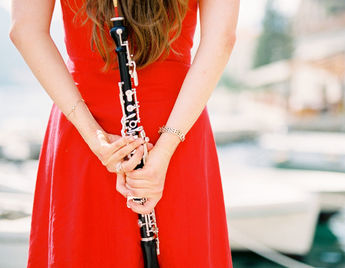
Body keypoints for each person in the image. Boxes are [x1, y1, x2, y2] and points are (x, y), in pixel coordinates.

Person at [9, 0, 239, 266]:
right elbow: (221, 38)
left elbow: (25, 30)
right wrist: (165, 149)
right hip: (179, 124)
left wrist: (95, 137)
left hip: (85, 129)